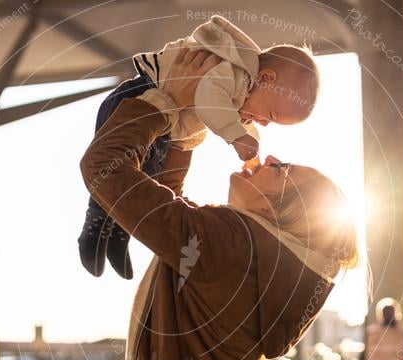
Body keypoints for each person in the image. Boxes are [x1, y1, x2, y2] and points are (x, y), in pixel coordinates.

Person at [79, 48, 358, 360]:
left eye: (281, 169)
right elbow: (171, 213)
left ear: (273, 212)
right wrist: (189, 126)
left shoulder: (231, 244)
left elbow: (104, 164)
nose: (267, 156)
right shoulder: (254, 257)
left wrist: (166, 103)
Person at [78, 15, 320, 280]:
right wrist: (237, 136)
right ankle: (95, 229)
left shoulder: (225, 247)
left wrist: (243, 134)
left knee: (142, 180)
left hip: (159, 122)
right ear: (265, 77)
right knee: (130, 183)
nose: (263, 123)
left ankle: (118, 235)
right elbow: (207, 99)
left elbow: (167, 195)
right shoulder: (233, 73)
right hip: (139, 98)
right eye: (270, 115)